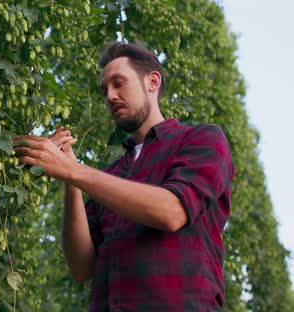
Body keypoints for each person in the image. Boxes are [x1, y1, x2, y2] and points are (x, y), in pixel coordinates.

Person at [13, 42, 234, 311]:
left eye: (119, 83)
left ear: (152, 81)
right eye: (105, 90)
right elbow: (82, 267)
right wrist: (72, 181)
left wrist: (73, 170)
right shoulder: (113, 174)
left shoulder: (202, 139)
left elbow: (173, 211)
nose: (110, 95)